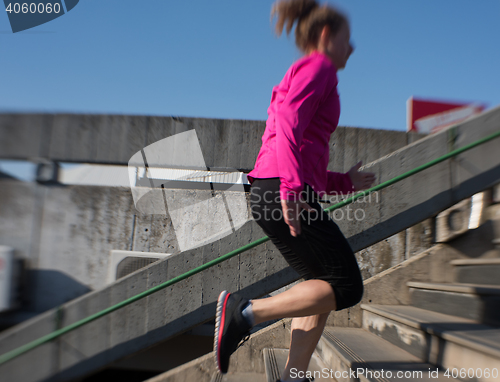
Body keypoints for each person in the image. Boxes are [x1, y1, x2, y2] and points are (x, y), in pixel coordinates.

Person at [214, 1, 376, 381]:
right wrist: (290, 189)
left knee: (322, 285)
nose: (352, 48)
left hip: (273, 188)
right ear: (325, 36)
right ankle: (244, 312)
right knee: (347, 286)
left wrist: (342, 182)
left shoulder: (309, 72)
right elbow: (288, 121)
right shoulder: (318, 67)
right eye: (346, 40)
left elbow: (303, 152)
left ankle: (293, 376)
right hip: (280, 189)